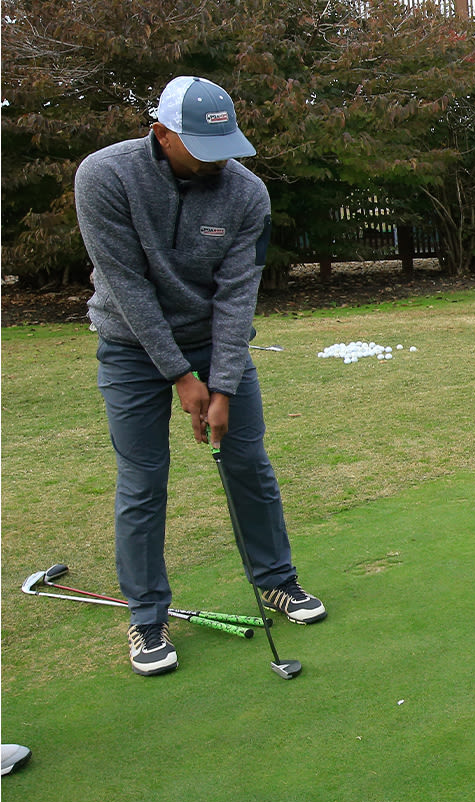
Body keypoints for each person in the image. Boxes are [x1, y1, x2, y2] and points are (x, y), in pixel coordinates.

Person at [76, 76, 326, 677]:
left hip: (217, 344)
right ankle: (146, 617)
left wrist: (224, 381)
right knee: (143, 480)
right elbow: (129, 288)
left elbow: (238, 295)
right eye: (203, 149)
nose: (222, 162)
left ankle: (275, 581)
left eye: (228, 147)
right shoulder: (104, 176)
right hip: (130, 345)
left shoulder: (247, 193)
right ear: (162, 134)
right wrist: (182, 377)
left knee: (248, 462)